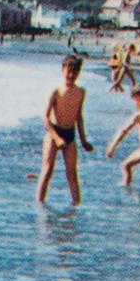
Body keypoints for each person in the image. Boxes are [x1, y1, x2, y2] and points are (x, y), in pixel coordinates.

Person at [38, 55, 94, 205]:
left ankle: (76, 208)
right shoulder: (56, 90)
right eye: (68, 71)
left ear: (79, 73)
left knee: (72, 174)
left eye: (74, 72)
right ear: (62, 70)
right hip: (54, 133)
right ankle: (39, 205)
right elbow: (45, 117)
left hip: (70, 135)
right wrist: (56, 138)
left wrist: (83, 140)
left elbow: (79, 116)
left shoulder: (81, 92)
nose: (71, 75)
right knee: (47, 170)